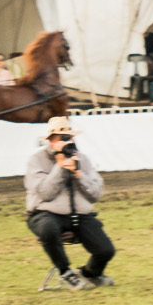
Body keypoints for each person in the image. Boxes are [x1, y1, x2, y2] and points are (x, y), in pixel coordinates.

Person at [25, 120, 115, 290]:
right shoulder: (36, 160)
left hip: (80, 215)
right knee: (48, 229)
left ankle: (90, 274)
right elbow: (45, 193)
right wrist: (60, 167)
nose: (67, 142)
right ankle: (65, 273)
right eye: (62, 138)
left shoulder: (83, 159)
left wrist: (78, 174)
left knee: (106, 250)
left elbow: (96, 194)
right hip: (45, 213)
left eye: (69, 137)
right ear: (51, 140)